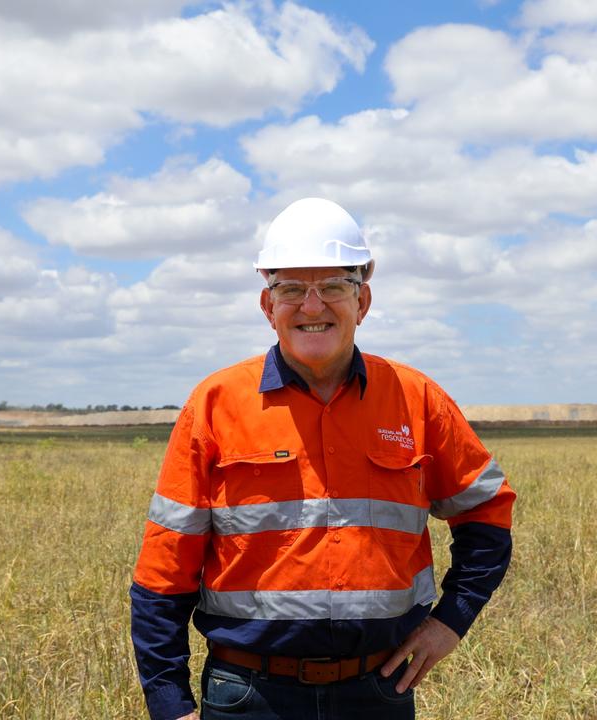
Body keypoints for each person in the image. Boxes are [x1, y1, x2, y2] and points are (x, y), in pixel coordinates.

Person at [130, 198, 516, 719]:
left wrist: (450, 622)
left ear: (364, 301)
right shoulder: (216, 404)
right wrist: (170, 704)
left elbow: (487, 512)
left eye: (333, 286)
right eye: (291, 289)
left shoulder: (417, 399)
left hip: (378, 691)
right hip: (248, 695)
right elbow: (162, 573)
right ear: (268, 306)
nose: (313, 307)